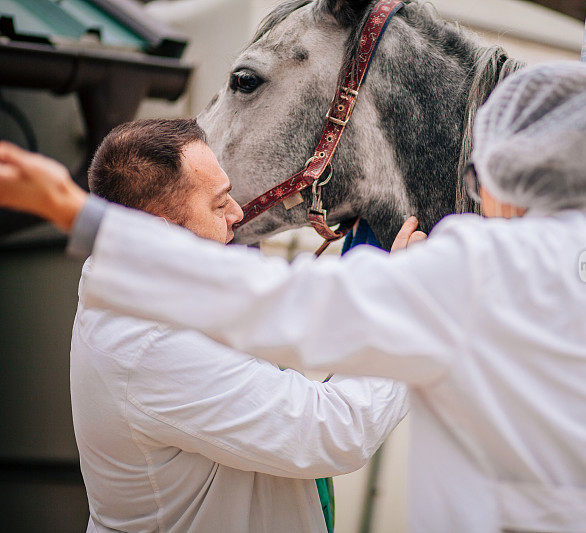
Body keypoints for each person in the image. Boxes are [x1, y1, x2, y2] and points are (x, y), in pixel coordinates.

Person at [0, 63, 586, 532]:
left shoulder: (470, 272)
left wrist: (77, 212)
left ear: (503, 188)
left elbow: (266, 304)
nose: (240, 217)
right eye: (222, 202)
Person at [22, 119, 410, 532]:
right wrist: (407, 307)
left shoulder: (159, 282)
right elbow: (331, 431)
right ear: (159, 230)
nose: (238, 213)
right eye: (218, 203)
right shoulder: (149, 344)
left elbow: (278, 306)